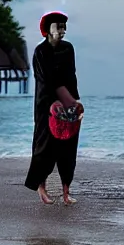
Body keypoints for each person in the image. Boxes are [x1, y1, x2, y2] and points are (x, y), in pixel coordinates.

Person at [24, 11, 84, 205]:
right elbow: (45, 80)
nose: (63, 30)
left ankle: (66, 191)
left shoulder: (68, 49)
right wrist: (55, 102)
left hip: (67, 103)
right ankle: (41, 188)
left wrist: (74, 102)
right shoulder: (40, 52)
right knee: (44, 148)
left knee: (68, 148)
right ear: (48, 30)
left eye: (64, 26)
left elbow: (71, 76)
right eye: (58, 26)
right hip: (46, 105)